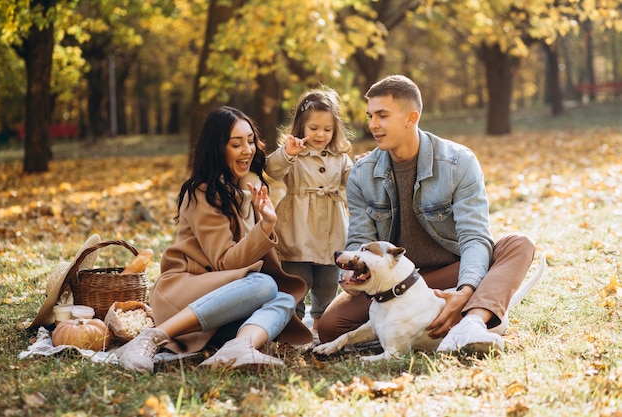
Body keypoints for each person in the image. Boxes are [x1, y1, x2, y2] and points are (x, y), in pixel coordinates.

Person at [317, 75, 536, 355]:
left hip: (449, 277)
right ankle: (415, 331)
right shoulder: (362, 173)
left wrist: (465, 292)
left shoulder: (459, 162)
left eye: (382, 115)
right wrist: (352, 274)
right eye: (370, 115)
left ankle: (472, 322)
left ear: (411, 117)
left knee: (519, 244)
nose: (372, 125)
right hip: (392, 281)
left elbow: (474, 237)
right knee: (330, 328)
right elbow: (360, 238)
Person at [117, 106, 312, 373]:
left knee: (284, 299)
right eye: (236, 144)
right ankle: (152, 337)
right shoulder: (202, 192)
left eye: (250, 140)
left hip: (225, 303)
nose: (248, 150)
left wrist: (265, 221)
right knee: (265, 285)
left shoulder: (248, 189)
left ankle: (238, 347)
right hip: (186, 291)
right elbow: (225, 262)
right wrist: (265, 226)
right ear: (218, 148)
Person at [265, 87, 353, 332]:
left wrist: (363, 167)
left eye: (327, 129)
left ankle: (322, 323)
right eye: (314, 128)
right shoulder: (294, 153)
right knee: (298, 276)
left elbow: (353, 182)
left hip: (332, 225)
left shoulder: (340, 156)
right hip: (298, 225)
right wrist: (287, 153)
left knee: (328, 277)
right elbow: (272, 170)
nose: (320, 134)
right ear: (301, 126)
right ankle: (293, 324)